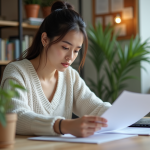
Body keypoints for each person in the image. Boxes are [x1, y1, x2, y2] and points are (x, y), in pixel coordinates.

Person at [1, 0, 111, 137]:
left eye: (76, 51)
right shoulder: (17, 72)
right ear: (45, 39)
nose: (70, 57)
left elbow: (96, 107)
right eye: (65, 48)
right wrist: (63, 126)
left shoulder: (71, 76)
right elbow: (15, 116)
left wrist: (125, 114)